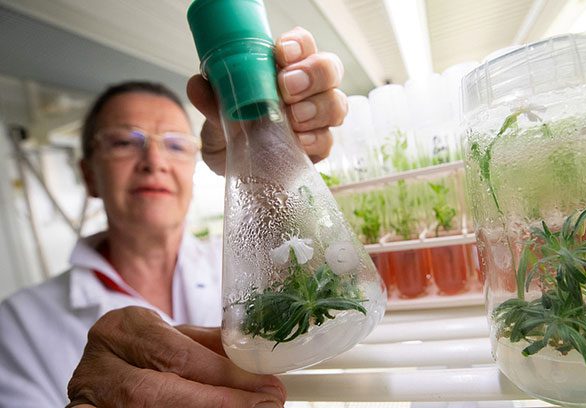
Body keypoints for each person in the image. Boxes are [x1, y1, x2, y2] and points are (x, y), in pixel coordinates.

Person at [0, 26, 348, 407]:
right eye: (123, 142)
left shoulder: (245, 267)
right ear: (88, 174)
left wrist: (259, 157)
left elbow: (327, 286)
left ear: (192, 170)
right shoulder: (18, 325)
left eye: (175, 145)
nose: (154, 162)